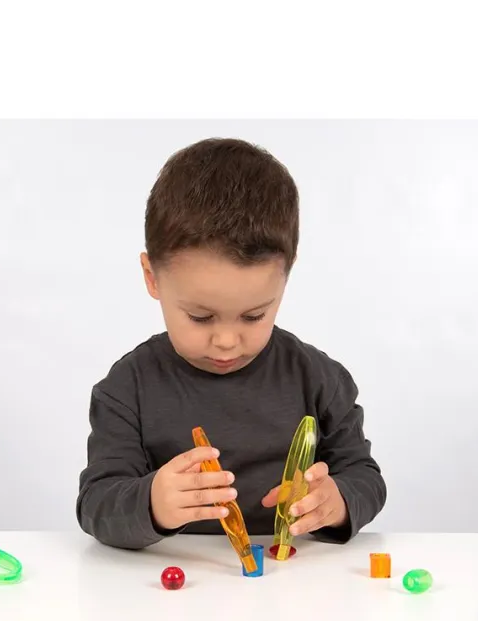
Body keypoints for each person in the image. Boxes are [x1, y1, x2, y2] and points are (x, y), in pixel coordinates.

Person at [76, 137, 386, 550]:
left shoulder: (318, 379)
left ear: (285, 277)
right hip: (171, 581)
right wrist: (151, 503)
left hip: (291, 577)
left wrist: (338, 501)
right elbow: (96, 503)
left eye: (253, 316)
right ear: (152, 277)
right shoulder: (127, 388)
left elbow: (364, 478)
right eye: (200, 317)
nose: (226, 341)